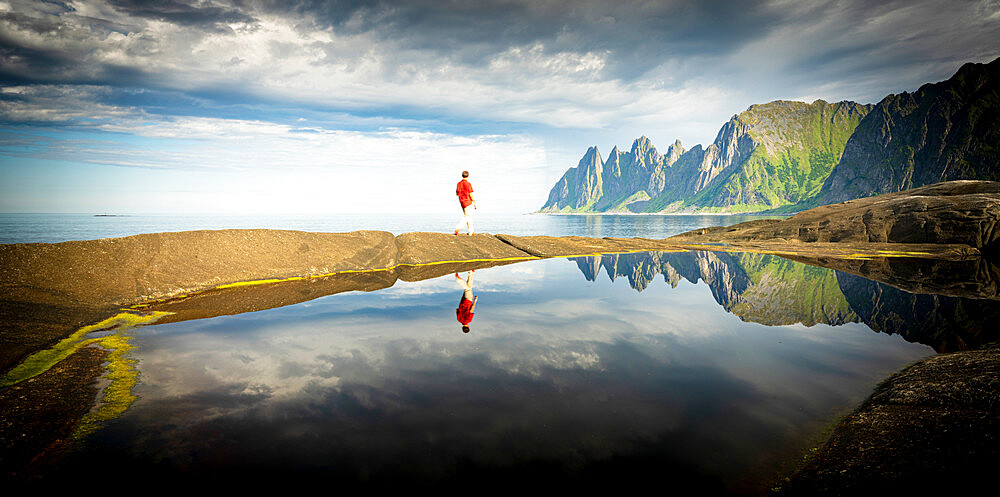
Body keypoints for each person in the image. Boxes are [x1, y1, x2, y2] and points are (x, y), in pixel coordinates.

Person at [454, 170, 476, 235]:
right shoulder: (468, 184)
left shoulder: (458, 184)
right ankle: (458, 227)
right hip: (468, 201)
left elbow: (457, 194)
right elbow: (470, 194)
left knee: (468, 216)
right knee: (467, 216)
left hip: (462, 202)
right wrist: (474, 202)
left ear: (462, 175)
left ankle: (471, 231)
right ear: (468, 176)